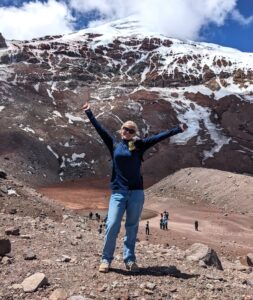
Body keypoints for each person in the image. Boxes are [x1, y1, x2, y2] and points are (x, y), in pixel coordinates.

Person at [82, 98, 186, 273]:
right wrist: (89, 113)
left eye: (130, 130)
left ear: (134, 133)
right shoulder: (114, 145)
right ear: (121, 130)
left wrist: (177, 129)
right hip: (118, 193)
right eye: (124, 129)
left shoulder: (139, 146)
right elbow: (100, 130)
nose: (127, 132)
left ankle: (129, 259)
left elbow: (159, 138)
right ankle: (106, 260)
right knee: (112, 224)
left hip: (136, 193)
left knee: (131, 227)